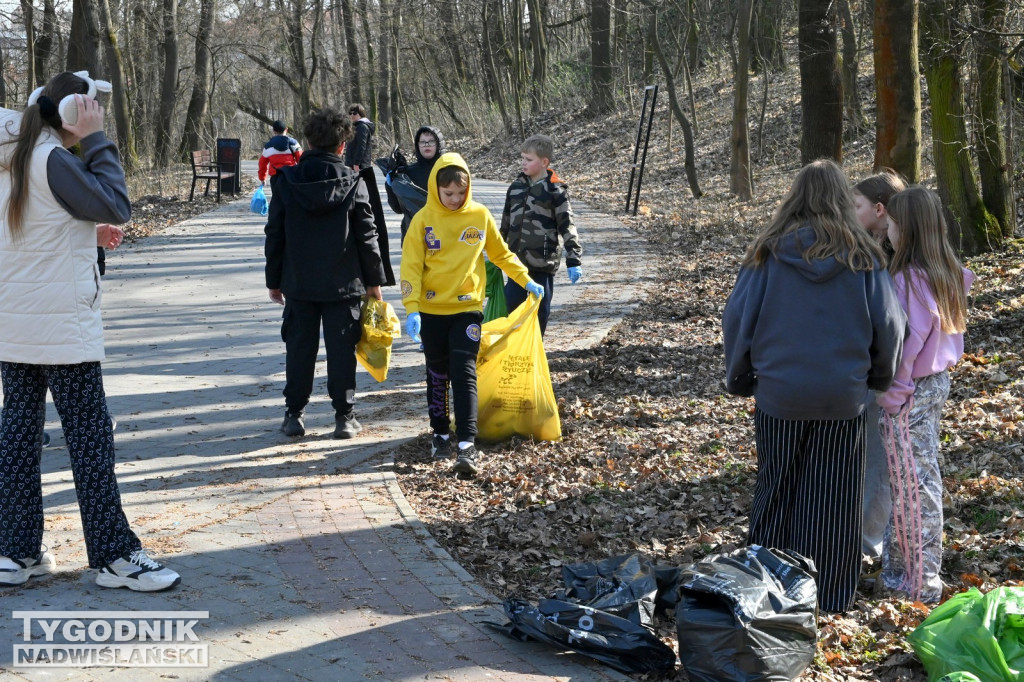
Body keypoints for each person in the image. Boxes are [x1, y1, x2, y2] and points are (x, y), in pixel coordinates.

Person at [0, 71, 180, 591]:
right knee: (90, 439)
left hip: (16, 325)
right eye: (94, 107)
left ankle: (17, 552)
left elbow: (37, 221)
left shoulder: (16, 154)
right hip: (61, 328)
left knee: (17, 435)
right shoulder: (54, 157)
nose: (99, 114)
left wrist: (85, 228)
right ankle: (114, 556)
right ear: (77, 113)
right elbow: (117, 203)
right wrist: (99, 140)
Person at [722, 159, 906, 613]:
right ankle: (828, 595)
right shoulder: (864, 257)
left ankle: (765, 591)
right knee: (834, 499)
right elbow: (890, 327)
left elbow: (738, 321)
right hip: (843, 397)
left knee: (776, 490)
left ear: (794, 197)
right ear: (842, 198)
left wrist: (740, 377)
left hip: (780, 394)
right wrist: (877, 378)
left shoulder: (765, 253)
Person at [400, 153, 543, 477]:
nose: (454, 200)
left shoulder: (479, 216)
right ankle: (440, 433)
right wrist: (412, 308)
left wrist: (526, 279)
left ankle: (466, 445)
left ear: (468, 188)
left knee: (464, 372)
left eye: (460, 193)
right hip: (431, 312)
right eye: (447, 194)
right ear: (436, 189)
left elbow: (501, 253)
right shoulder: (422, 221)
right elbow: (410, 267)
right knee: (437, 374)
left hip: (467, 309)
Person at [876, 187, 973, 603]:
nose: (887, 232)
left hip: (911, 390)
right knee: (921, 477)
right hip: (935, 385)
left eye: (892, 225)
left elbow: (906, 346)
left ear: (908, 229)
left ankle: (917, 582)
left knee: (911, 486)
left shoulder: (908, 280)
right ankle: (903, 572)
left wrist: (892, 396)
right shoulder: (948, 270)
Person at [265, 108, 387, 440]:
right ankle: (344, 418)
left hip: (299, 284)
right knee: (341, 350)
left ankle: (294, 415)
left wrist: (273, 281)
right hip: (344, 284)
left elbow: (274, 234)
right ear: (342, 146)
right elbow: (367, 235)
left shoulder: (285, 181)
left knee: (299, 348)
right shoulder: (353, 182)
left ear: (307, 142)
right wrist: (374, 283)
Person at [852, 170, 907, 564]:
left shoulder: (891, 254)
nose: (850, 213)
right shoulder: (879, 247)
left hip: (889, 375)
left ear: (879, 208)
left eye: (856, 206)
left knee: (878, 463)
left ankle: (871, 542)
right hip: (878, 370)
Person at [500, 134, 583, 335]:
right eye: (522, 158)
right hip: (515, 264)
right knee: (511, 310)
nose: (523, 163)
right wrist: (498, 252)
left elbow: (567, 226)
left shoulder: (555, 191)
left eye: (529, 160)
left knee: (539, 313)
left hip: (542, 264)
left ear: (544, 162)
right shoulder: (516, 187)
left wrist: (574, 260)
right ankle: (512, 354)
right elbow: (505, 223)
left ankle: (534, 351)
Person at [345, 103, 395, 286]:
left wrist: (357, 163)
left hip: (361, 168)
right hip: (353, 166)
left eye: (355, 113)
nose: (352, 115)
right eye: (350, 113)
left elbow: (362, 146)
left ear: (361, 113)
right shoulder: (356, 127)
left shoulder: (363, 127)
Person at [392, 125, 447, 241]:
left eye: (431, 141)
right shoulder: (409, 172)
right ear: (417, 145)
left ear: (439, 144)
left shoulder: (449, 169)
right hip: (414, 233)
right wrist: (392, 181)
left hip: (444, 232)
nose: (426, 145)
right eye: (422, 142)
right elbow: (398, 208)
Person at [257, 119, 302, 185]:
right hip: (291, 175)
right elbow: (301, 159)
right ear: (286, 129)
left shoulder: (268, 146)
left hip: (275, 177)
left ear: (274, 131)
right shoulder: (293, 143)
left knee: (277, 195)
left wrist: (262, 178)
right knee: (291, 195)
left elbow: (262, 163)